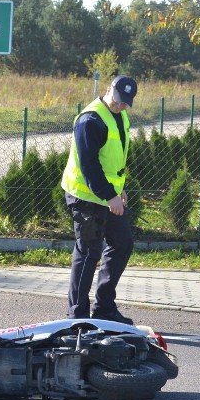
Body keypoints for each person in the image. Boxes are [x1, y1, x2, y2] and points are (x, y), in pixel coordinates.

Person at [61, 75, 138, 325]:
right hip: (85, 195)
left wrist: (120, 189)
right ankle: (78, 316)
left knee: (122, 243)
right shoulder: (90, 120)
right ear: (108, 90)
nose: (121, 105)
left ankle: (104, 308)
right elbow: (89, 166)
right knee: (89, 252)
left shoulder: (121, 114)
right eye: (118, 100)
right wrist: (109, 196)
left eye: (126, 102)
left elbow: (115, 158)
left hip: (109, 194)